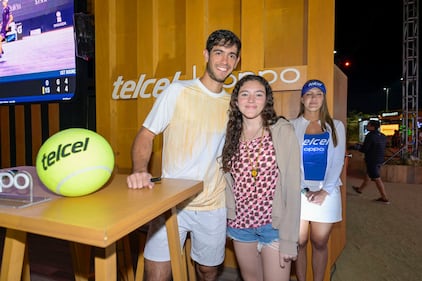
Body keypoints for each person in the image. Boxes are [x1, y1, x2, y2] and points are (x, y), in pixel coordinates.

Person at [126, 29, 241, 281]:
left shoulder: (233, 104)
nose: (225, 61)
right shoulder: (177, 91)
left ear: (237, 62)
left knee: (207, 271)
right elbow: (146, 135)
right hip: (171, 204)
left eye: (231, 55)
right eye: (219, 53)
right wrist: (139, 170)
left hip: (212, 204)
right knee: (156, 274)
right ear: (206, 55)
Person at [221, 75, 301, 281]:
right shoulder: (230, 134)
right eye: (245, 94)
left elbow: (292, 187)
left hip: (274, 226)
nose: (251, 100)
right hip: (240, 226)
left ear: (266, 100)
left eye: (258, 94)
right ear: (236, 101)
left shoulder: (282, 131)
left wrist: (289, 239)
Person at [290, 79, 345, 281]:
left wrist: (324, 191)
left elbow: (338, 160)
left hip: (327, 193)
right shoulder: (291, 125)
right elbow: (289, 163)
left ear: (324, 98)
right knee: (299, 242)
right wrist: (304, 190)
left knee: (320, 242)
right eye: (309, 94)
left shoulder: (335, 126)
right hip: (299, 192)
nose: (313, 98)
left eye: (318, 94)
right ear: (302, 99)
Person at [352, 120, 390, 204]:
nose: (367, 126)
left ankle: (384, 198)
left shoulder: (370, 136)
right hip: (380, 159)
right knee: (369, 175)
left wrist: (357, 147)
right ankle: (359, 189)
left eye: (368, 125)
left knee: (377, 178)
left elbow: (365, 149)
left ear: (373, 126)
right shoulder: (383, 136)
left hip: (372, 160)